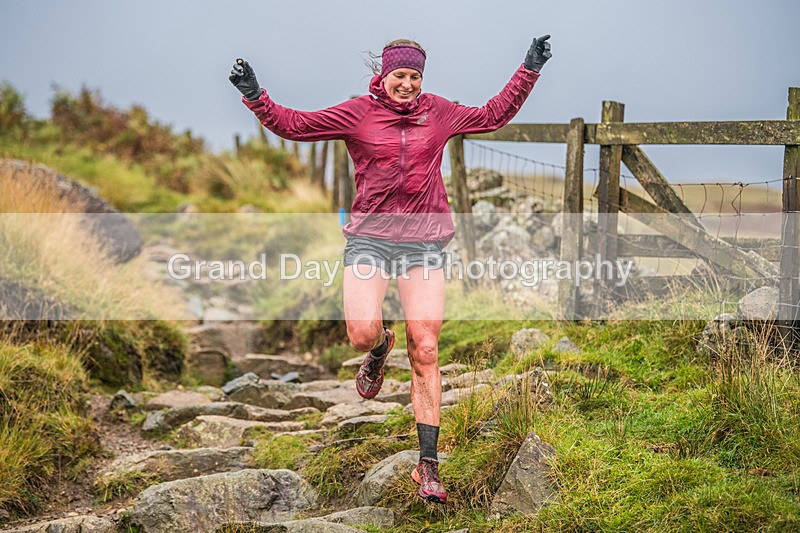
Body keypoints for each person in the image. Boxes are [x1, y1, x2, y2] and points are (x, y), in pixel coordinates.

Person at [229, 35, 551, 504]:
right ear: (383, 75)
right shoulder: (357, 113)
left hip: (424, 242)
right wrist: (255, 93)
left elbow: (493, 114)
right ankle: (380, 349)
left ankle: (428, 465)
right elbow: (293, 125)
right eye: (399, 75)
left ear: (422, 80)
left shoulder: (438, 112)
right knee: (360, 332)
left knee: (426, 345)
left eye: (415, 76)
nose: (407, 84)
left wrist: (530, 66)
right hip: (370, 240)